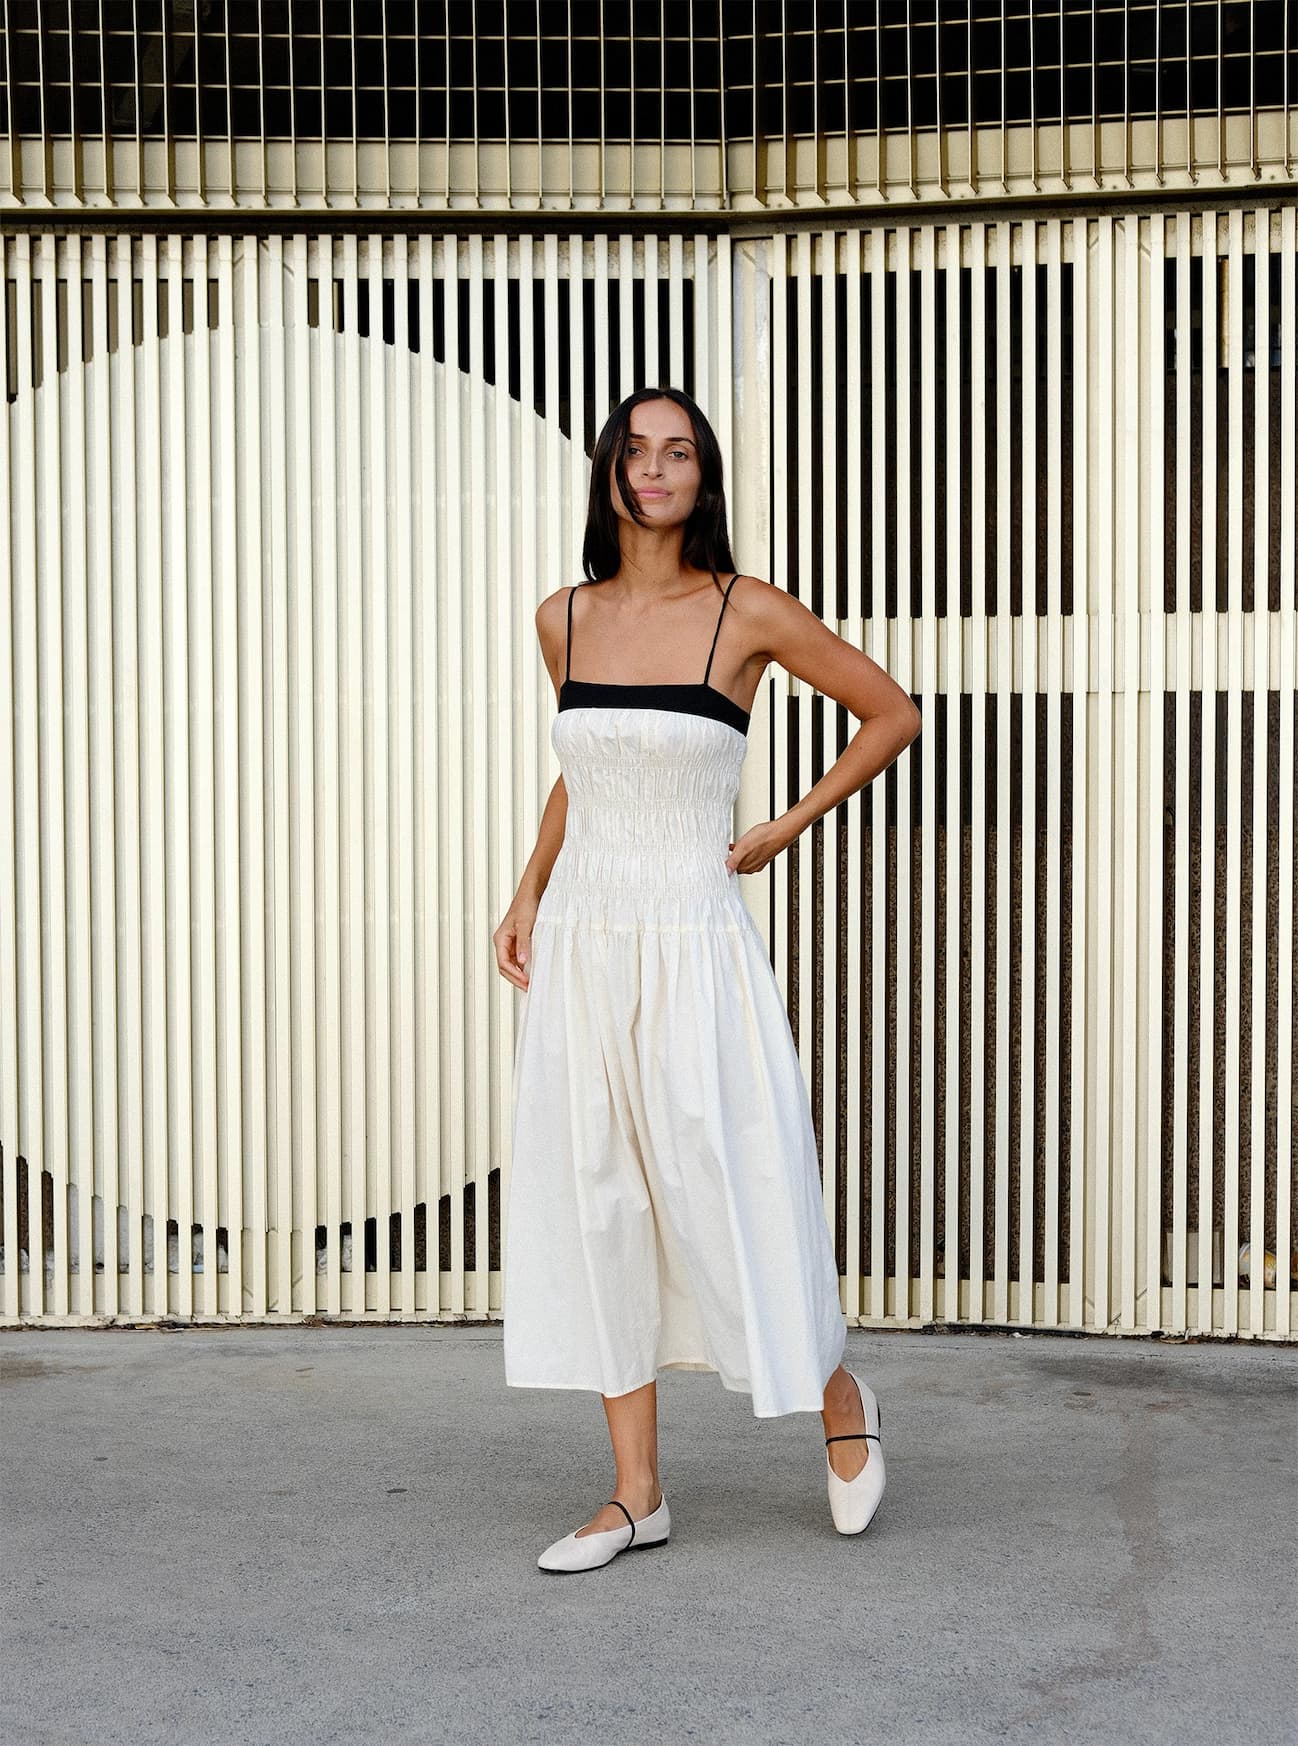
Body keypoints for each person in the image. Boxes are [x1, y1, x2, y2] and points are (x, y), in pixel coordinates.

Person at [493, 386, 921, 1572]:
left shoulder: (746, 611)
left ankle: (837, 1394)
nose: (653, 468)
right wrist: (527, 892)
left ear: (702, 476)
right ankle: (635, 1495)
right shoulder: (562, 618)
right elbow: (587, 768)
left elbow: (890, 714)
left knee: (729, 1182)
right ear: (609, 473)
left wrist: (788, 821)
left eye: (676, 452)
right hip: (587, 938)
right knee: (600, 1196)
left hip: (694, 935)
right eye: (634, 450)